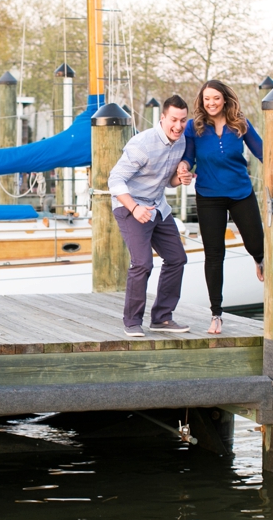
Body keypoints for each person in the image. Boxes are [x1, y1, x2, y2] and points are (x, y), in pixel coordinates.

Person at [178, 80, 264, 335]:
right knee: (214, 256)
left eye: (216, 98)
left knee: (257, 244)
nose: (211, 103)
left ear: (225, 99)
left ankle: (259, 260)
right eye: (207, 99)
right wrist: (183, 167)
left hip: (241, 193)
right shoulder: (194, 127)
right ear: (202, 101)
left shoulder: (241, 124)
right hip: (209, 196)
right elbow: (188, 157)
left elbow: (262, 152)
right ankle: (216, 314)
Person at [108, 94, 194, 337]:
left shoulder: (181, 141)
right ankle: (132, 321)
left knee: (177, 258)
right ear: (163, 117)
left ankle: (162, 318)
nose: (178, 126)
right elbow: (115, 179)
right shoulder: (142, 143)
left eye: (183, 120)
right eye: (174, 120)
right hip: (130, 206)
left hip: (157, 206)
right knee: (143, 263)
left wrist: (182, 178)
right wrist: (134, 208)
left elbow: (168, 181)